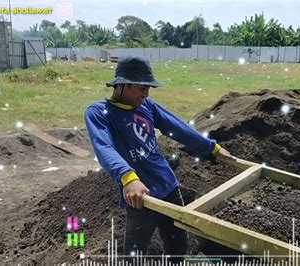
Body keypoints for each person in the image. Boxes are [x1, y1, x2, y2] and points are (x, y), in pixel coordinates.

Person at [84, 56, 235, 263]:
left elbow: (177, 127)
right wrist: (128, 177)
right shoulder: (100, 113)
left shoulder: (147, 105)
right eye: (141, 87)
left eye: (148, 88)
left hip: (169, 187)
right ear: (122, 84)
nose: (146, 93)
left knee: (177, 245)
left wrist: (212, 148)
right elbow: (104, 147)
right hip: (141, 197)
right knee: (135, 255)